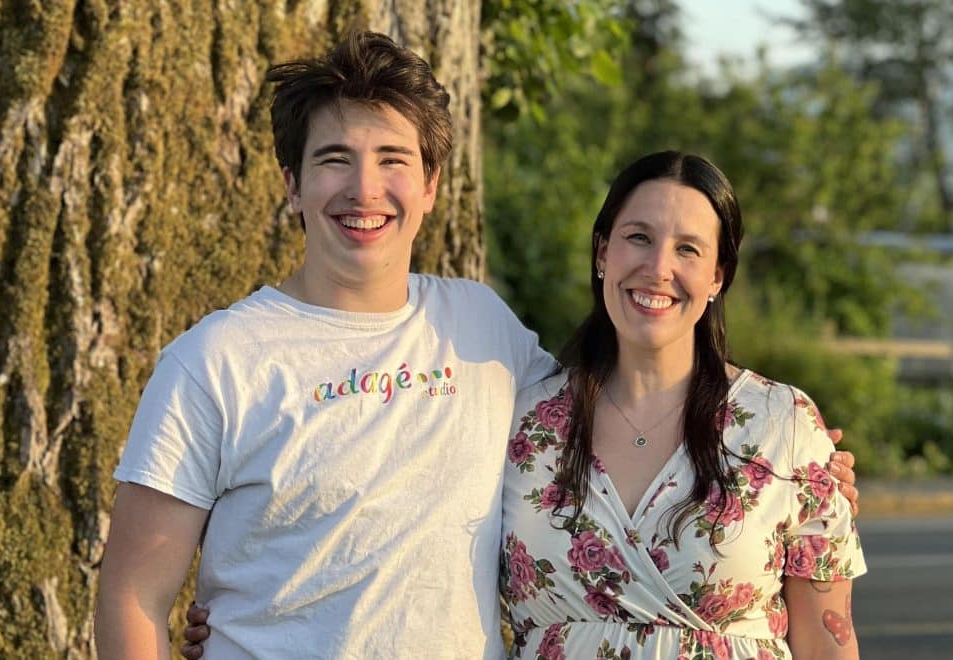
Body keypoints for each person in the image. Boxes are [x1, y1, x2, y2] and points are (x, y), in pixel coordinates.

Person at [96, 30, 859, 660]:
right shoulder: (215, 361)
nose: (364, 190)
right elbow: (133, 596)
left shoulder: (482, 331)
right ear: (291, 185)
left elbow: (627, 407)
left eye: (393, 160)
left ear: (430, 187)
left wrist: (808, 474)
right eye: (334, 160)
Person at [499, 151, 865, 658]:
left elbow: (828, 640)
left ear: (718, 276)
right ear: (603, 253)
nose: (658, 268)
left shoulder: (784, 424)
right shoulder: (519, 423)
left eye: (688, 249)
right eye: (639, 238)